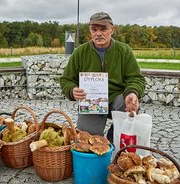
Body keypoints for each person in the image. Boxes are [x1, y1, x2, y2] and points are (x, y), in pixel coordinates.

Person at [60, 12, 145, 142]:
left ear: (112, 29)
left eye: (103, 29)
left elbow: (136, 78)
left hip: (117, 99)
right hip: (92, 102)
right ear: (90, 31)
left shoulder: (124, 51)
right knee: (86, 139)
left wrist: (132, 93)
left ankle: (114, 136)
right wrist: (72, 90)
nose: (98, 33)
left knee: (125, 102)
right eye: (94, 29)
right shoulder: (80, 52)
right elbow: (66, 79)